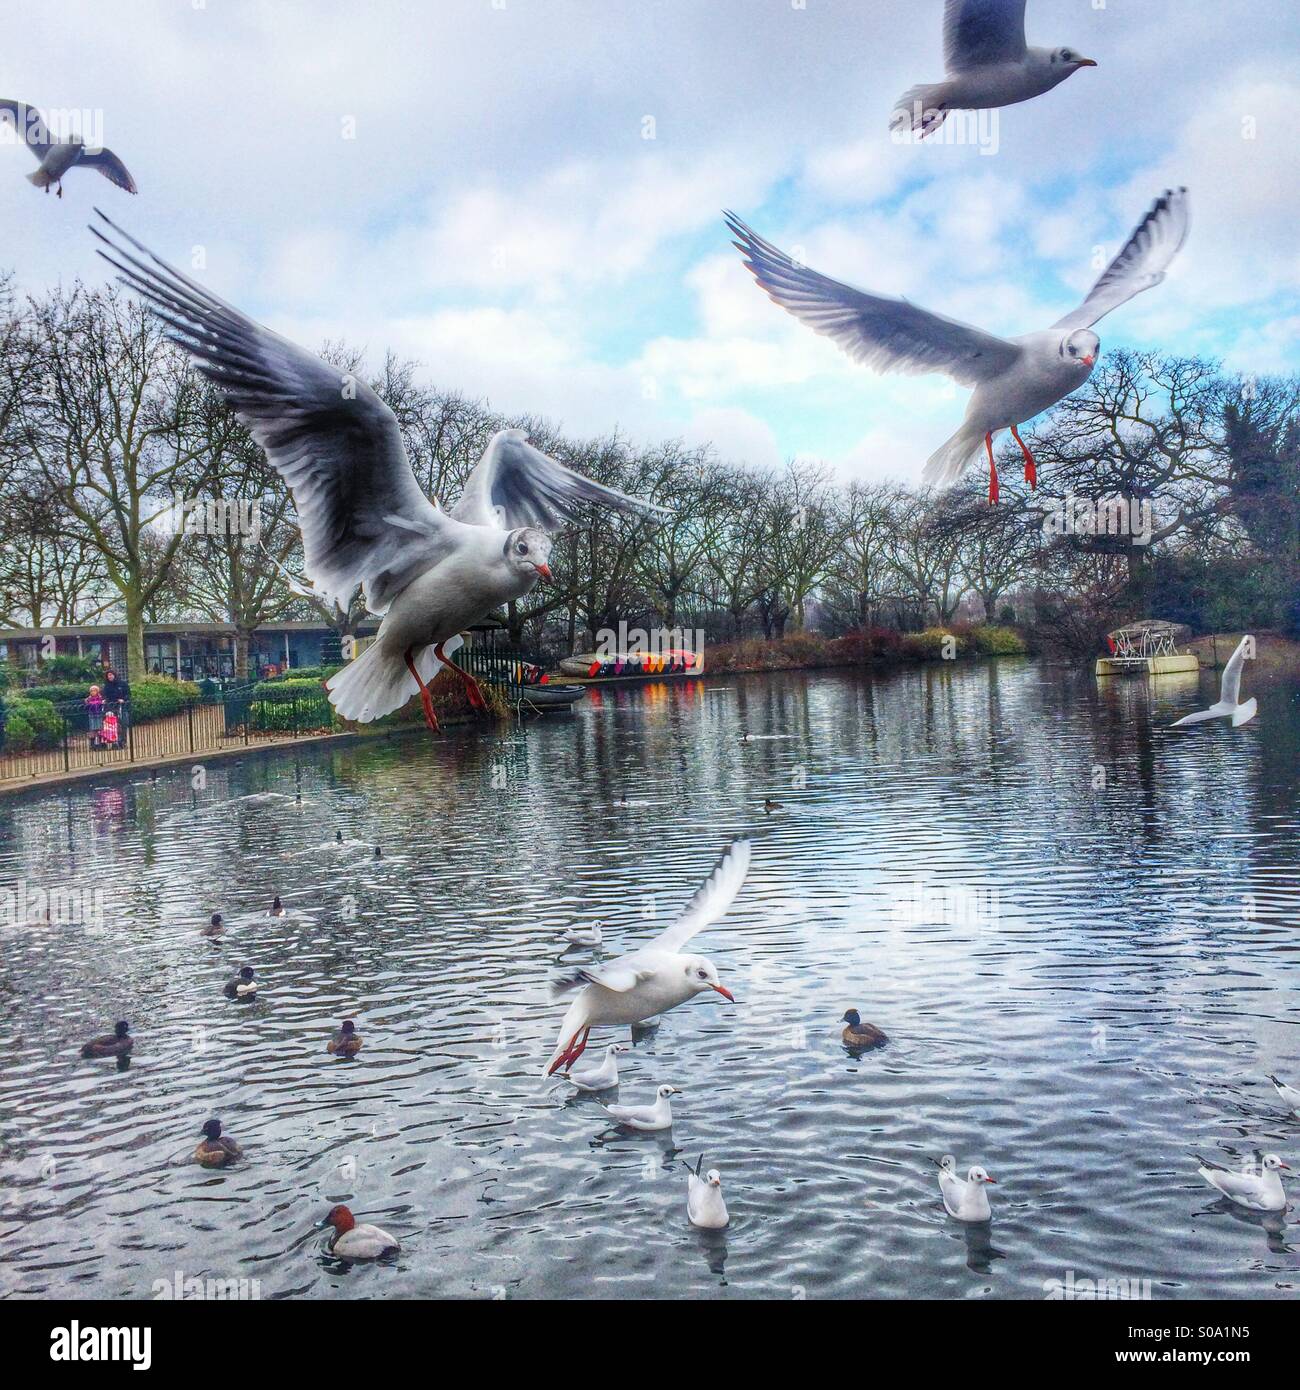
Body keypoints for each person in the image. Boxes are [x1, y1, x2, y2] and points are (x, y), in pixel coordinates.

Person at [103, 668, 130, 740]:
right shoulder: (106, 685)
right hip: (111, 706)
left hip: (122, 706)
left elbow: (128, 694)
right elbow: (105, 695)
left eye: (111, 675)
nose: (110, 677)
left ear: (114, 675)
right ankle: (113, 740)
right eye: (108, 675)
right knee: (112, 724)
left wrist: (123, 699)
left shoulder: (122, 684)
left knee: (123, 724)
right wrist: (105, 700)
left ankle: (122, 740)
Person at [84, 683, 105, 747]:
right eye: (91, 691)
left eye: (94, 690)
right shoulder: (88, 699)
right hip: (92, 715)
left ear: (97, 691)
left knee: (100, 728)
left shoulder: (101, 698)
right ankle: (92, 744)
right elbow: (86, 706)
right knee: (93, 729)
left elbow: (102, 704)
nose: (93, 692)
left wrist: (100, 703)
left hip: (99, 714)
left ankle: (101, 742)